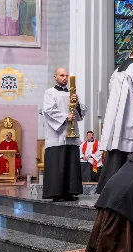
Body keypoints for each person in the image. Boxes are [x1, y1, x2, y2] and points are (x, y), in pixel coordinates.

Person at [97, 45, 133, 194]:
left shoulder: (117, 71)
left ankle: (109, 185)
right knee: (131, 149)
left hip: (115, 119)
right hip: (131, 115)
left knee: (117, 150)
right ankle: (128, 186)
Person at [42, 68, 87, 202]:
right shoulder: (50, 92)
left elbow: (81, 112)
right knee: (58, 163)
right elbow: (48, 110)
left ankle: (70, 191)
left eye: (67, 76)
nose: (65, 78)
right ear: (55, 77)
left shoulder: (72, 93)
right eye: (62, 75)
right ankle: (57, 193)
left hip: (71, 135)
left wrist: (77, 103)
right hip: (57, 134)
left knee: (71, 162)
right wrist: (65, 116)